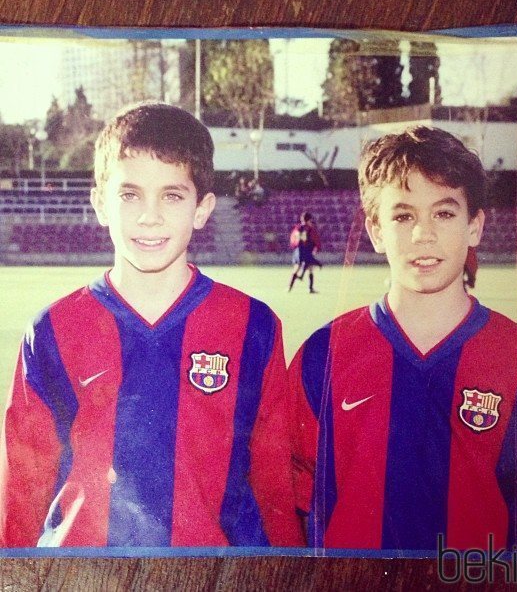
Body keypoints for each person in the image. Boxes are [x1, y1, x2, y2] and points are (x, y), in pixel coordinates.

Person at [0, 103, 302, 549]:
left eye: (172, 195)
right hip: (86, 580)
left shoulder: (252, 326)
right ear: (100, 203)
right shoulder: (53, 329)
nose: (150, 215)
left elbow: (274, 480)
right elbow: (23, 485)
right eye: (130, 194)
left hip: (216, 579)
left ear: (202, 209)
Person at [289, 126, 517, 552]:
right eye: (403, 216)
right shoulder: (322, 355)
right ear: (376, 230)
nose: (423, 234)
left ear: (475, 226)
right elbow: (291, 501)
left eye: (444, 213)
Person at [288, 211, 322, 294]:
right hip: (307, 251)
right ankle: (310, 288)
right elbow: (315, 240)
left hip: (298, 251)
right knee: (310, 269)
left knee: (297, 268)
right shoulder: (310, 229)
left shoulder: (297, 228)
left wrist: (295, 247)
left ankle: (290, 287)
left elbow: (293, 240)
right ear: (309, 219)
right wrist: (316, 248)